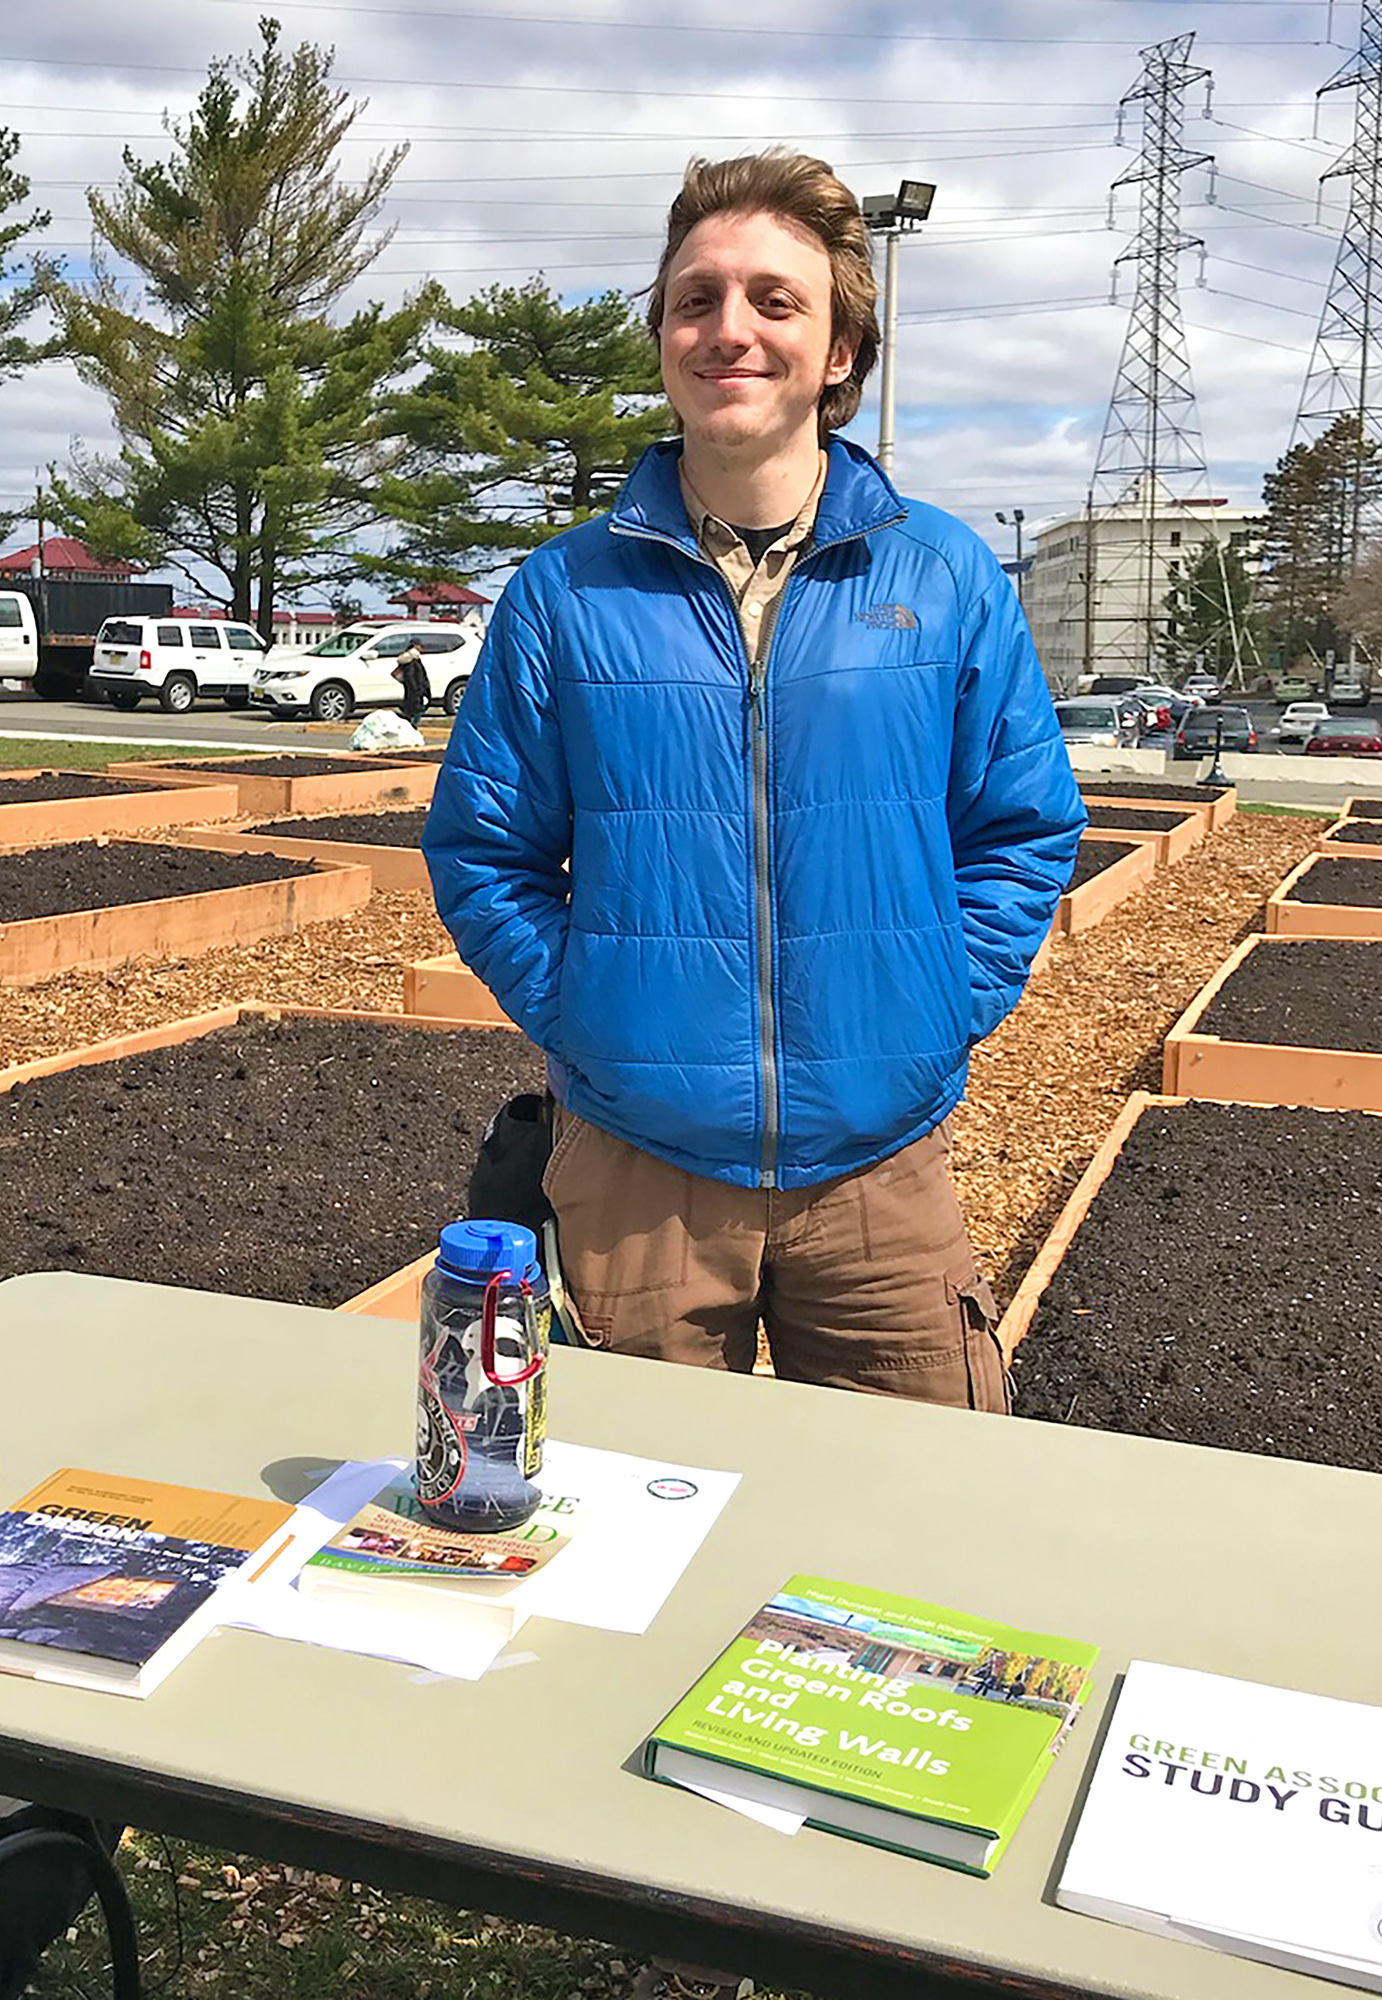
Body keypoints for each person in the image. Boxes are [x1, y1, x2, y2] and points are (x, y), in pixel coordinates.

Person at [423, 150, 1085, 1416]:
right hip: (635, 1173)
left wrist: (936, 1004)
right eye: (696, 299)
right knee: (620, 1540)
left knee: (930, 1536)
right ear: (664, 336)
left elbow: (1021, 828)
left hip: (877, 1172)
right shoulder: (565, 593)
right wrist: (587, 1013)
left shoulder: (941, 576)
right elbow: (484, 850)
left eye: (775, 301)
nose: (730, 329)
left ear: (839, 350)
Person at [393, 639, 430, 725]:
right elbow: (413, 676)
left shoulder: (409, 659)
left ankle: (411, 724)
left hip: (412, 691)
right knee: (417, 710)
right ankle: (413, 726)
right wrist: (418, 689)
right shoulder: (412, 660)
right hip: (416, 691)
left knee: (412, 710)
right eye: (420, 646)